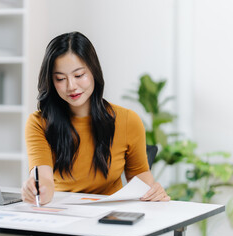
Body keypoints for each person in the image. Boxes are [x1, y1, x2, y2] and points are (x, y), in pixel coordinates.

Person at [22, 31, 170, 205]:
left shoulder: (128, 120)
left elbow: (140, 177)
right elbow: (44, 177)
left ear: (94, 71)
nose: (71, 86)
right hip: (61, 211)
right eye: (60, 79)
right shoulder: (39, 123)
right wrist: (38, 190)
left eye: (79, 75)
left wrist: (153, 191)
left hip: (109, 215)